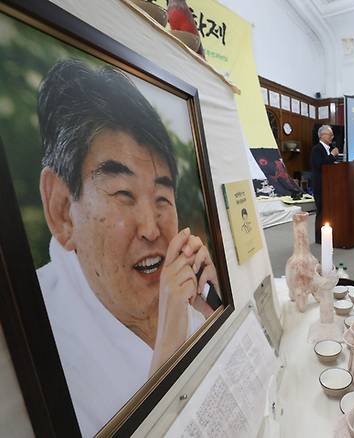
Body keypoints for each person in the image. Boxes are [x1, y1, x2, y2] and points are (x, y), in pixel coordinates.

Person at [35, 60, 221, 436]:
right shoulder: (37, 346)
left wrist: (213, 306)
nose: (152, 229)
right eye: (123, 193)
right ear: (61, 211)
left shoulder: (189, 289)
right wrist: (171, 335)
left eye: (162, 197)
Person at [311, 125, 339, 243]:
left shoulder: (327, 148)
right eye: (330, 135)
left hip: (329, 186)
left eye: (332, 135)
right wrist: (332, 156)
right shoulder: (317, 149)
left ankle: (327, 235)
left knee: (328, 211)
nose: (332, 137)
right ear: (322, 135)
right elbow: (321, 166)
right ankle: (319, 238)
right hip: (321, 186)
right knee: (322, 211)